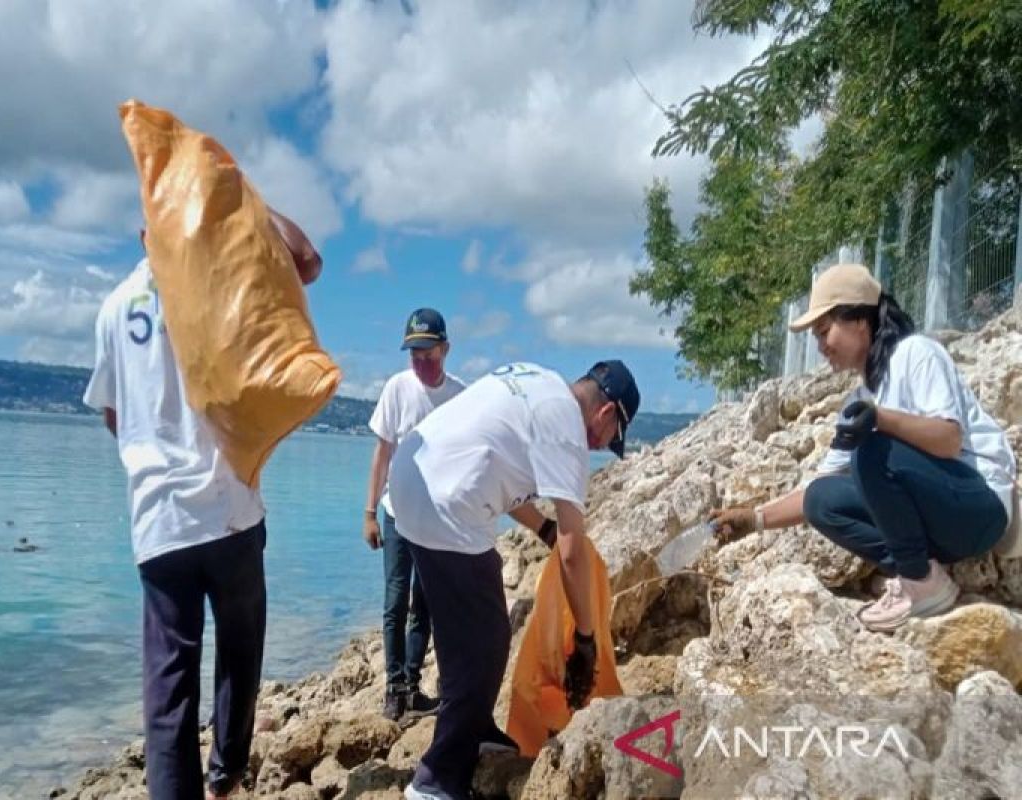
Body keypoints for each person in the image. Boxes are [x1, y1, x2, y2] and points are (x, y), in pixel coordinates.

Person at [84, 219, 320, 800]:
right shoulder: (218, 283)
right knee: (240, 658)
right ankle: (225, 780)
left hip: (158, 522)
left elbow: (113, 414)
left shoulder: (114, 307)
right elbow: (307, 260)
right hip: (230, 511)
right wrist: (242, 200)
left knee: (169, 694)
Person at [712, 263, 1016, 632]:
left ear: (860, 320)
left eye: (825, 332)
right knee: (821, 499)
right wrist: (753, 519)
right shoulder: (859, 399)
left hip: (976, 510)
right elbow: (819, 486)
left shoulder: (916, 354)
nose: (821, 346)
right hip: (938, 530)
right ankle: (922, 571)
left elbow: (949, 439)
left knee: (871, 448)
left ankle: (918, 582)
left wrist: (880, 420)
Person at [389, 359, 640, 800]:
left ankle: (476, 728)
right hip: (446, 505)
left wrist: (539, 527)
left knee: (461, 636)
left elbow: (499, 468)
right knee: (487, 642)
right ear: (606, 414)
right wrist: (585, 638)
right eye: (609, 438)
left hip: (415, 479)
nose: (601, 447)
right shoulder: (567, 430)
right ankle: (435, 780)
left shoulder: (538, 382)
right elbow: (572, 549)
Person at [364, 308, 465, 720]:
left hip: (437, 520)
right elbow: (382, 452)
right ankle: (394, 688)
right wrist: (369, 511)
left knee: (424, 604)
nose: (422, 363)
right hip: (396, 513)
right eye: (415, 355)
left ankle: (412, 681)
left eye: (429, 354)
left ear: (445, 349)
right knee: (394, 600)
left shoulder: (461, 395)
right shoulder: (397, 388)